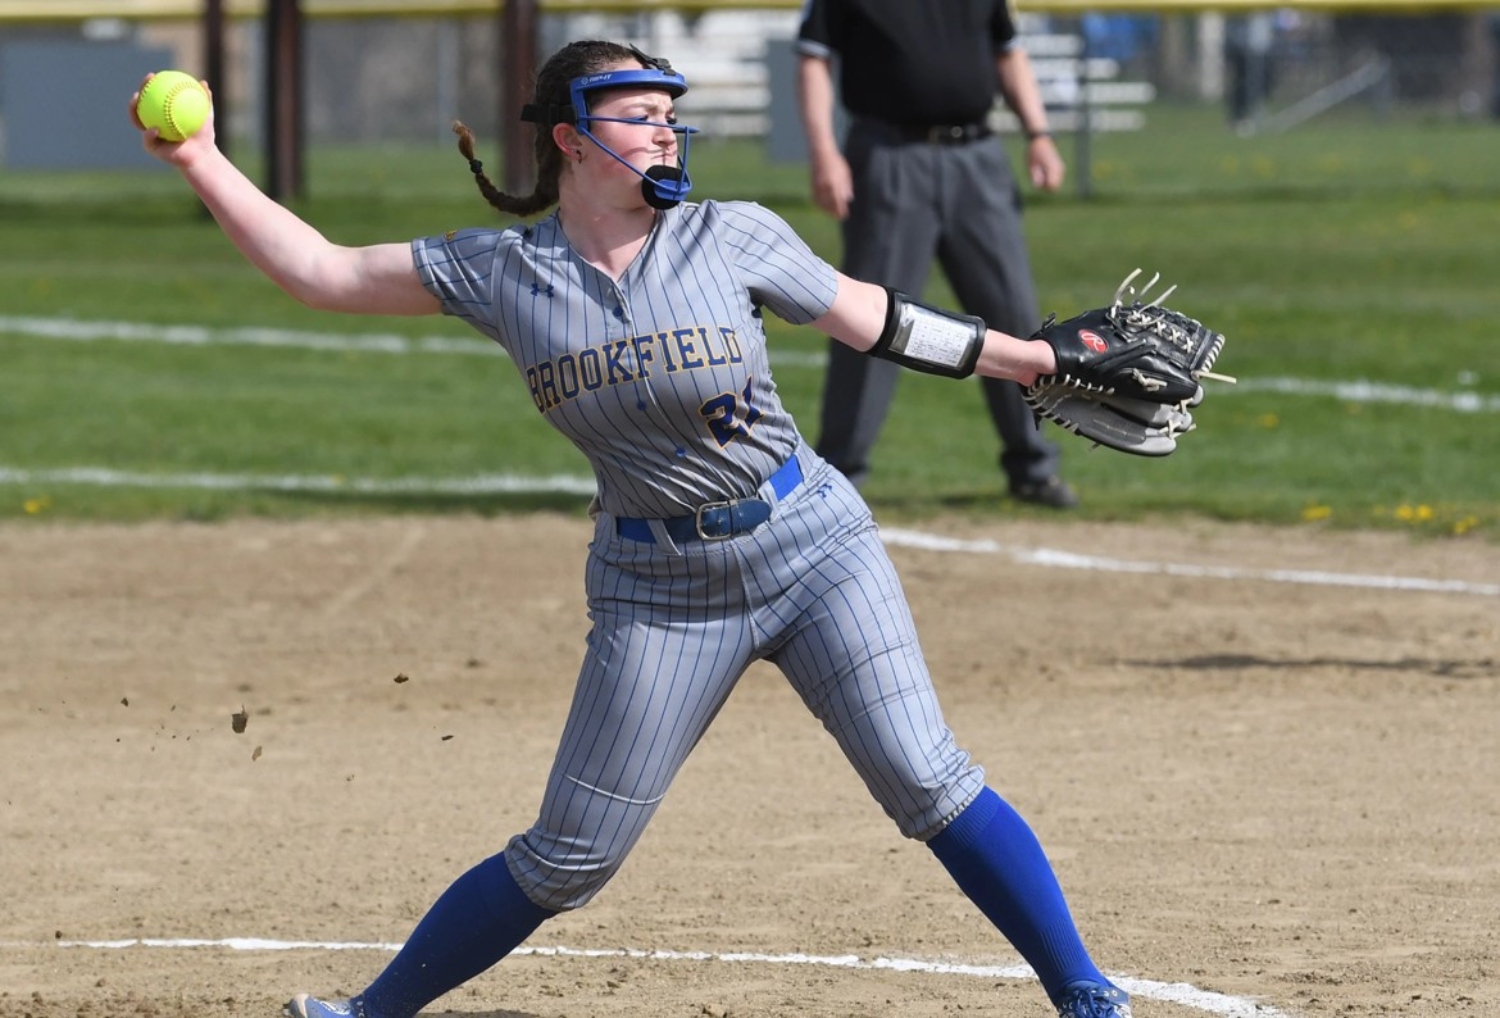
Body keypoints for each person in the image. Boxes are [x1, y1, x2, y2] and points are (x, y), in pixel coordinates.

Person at [129, 40, 1131, 1018]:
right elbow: (322, 272)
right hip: (658, 591)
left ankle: (1086, 993)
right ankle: (369, 1012)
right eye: (639, 115)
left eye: (669, 114)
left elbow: (880, 318)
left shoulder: (730, 235)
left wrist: (1028, 359)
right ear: (569, 139)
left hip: (814, 545)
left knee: (928, 777)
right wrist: (202, 159)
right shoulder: (504, 272)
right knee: (568, 856)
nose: (666, 132)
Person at [795, 0, 1078, 509]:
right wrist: (823, 152)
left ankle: (1033, 465)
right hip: (889, 157)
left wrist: (1039, 133)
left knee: (1015, 317)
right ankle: (841, 477)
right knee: (869, 321)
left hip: (978, 156)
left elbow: (1008, 51)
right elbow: (814, 60)